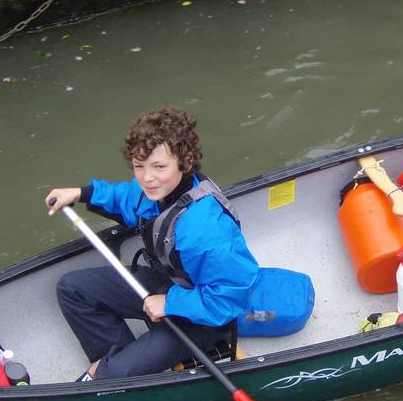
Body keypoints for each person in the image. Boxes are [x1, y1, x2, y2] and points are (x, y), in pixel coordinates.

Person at [45, 107, 258, 380]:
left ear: (185, 161)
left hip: (201, 318)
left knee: (114, 372)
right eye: (138, 166)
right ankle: (118, 364)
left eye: (159, 166)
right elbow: (124, 196)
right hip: (164, 283)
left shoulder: (205, 232)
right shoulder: (155, 190)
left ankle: (113, 373)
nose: (147, 177)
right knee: (73, 288)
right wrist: (79, 193)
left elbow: (230, 298)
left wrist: (169, 303)